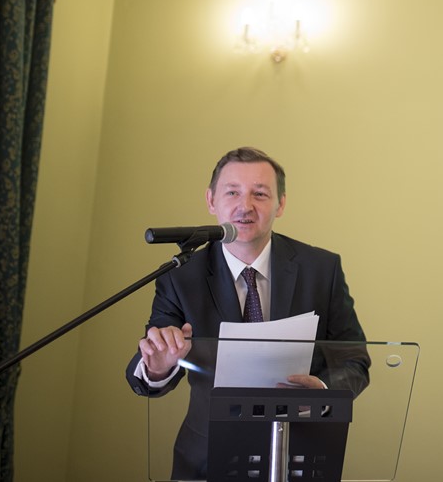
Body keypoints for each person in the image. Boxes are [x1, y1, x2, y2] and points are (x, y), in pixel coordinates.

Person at [125, 147, 369, 479]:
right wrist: (157, 366)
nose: (245, 206)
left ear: (280, 204)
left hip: (299, 455)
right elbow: (146, 369)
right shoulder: (180, 275)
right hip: (204, 459)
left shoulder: (321, 269)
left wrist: (323, 393)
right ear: (211, 200)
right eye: (232, 192)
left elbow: (355, 361)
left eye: (260, 194)